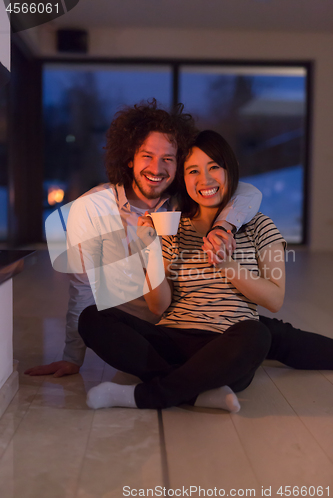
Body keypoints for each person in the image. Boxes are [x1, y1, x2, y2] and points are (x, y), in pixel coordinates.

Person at [79, 130, 333, 412]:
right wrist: (149, 249)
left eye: (214, 167)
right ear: (182, 179)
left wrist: (226, 263)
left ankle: (148, 395)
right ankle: (196, 391)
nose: (205, 179)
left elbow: (274, 300)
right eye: (192, 170)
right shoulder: (173, 227)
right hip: (173, 338)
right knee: (92, 317)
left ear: (230, 170)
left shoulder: (260, 226)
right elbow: (158, 305)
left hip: (226, 343)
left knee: (258, 334)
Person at [25, 100, 262, 378]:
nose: (157, 168)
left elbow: (248, 191)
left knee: (264, 332)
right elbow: (82, 291)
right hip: (133, 330)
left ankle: (176, 382)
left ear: (179, 164)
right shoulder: (93, 208)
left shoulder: (184, 202)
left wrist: (223, 226)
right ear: (129, 158)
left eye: (168, 159)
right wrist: (72, 358)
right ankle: (191, 383)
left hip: (187, 323)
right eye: (147, 155)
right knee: (92, 320)